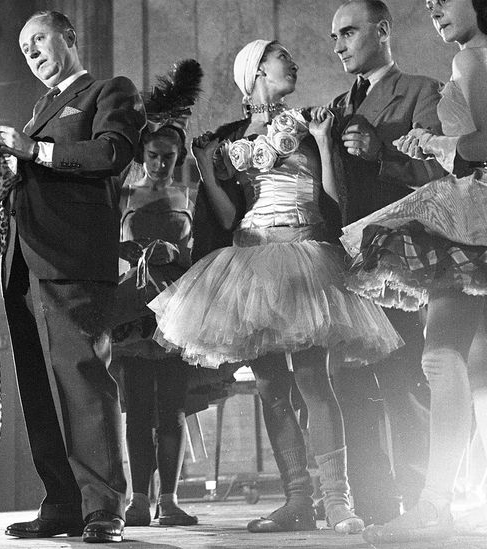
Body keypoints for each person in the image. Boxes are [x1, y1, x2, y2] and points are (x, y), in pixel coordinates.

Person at [341, 0, 487, 542]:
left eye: (444, 0)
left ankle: (433, 507)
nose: (434, 11)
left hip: (476, 205)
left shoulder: (471, 61)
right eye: (428, 5)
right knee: (480, 368)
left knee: (439, 355)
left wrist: (430, 142)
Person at [149, 38, 404, 536]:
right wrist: (204, 166)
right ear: (257, 71)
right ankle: (296, 499)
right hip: (250, 261)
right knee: (269, 386)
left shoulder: (308, 123)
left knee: (314, 379)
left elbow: (335, 199)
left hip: (305, 255)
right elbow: (226, 216)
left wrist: (326, 142)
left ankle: (338, 501)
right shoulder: (231, 140)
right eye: (281, 57)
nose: (294, 61)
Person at [0, 10, 145, 544]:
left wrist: (34, 151)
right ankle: (61, 501)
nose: (31, 52)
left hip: (73, 259)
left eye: (38, 39)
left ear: (69, 37)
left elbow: (111, 152)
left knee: (83, 379)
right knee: (39, 387)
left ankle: (104, 506)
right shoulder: (40, 107)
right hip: (24, 265)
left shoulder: (109, 90)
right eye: (23, 47)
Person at [326, 0, 443, 525]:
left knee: (403, 381)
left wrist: (382, 153)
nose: (340, 45)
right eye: (335, 37)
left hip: (402, 262)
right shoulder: (336, 104)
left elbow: (441, 179)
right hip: (349, 262)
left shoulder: (421, 90)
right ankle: (375, 506)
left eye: (349, 32)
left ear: (383, 30)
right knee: (350, 384)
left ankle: (420, 501)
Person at [112, 60, 202, 528]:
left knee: (172, 408)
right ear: (143, 153)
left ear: (178, 155)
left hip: (178, 307)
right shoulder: (124, 195)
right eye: (153, 154)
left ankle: (169, 498)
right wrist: (131, 251)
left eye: (168, 155)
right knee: (136, 409)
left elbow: (203, 251)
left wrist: (175, 255)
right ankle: (138, 498)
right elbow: (109, 247)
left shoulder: (191, 193)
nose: (160, 162)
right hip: (133, 307)